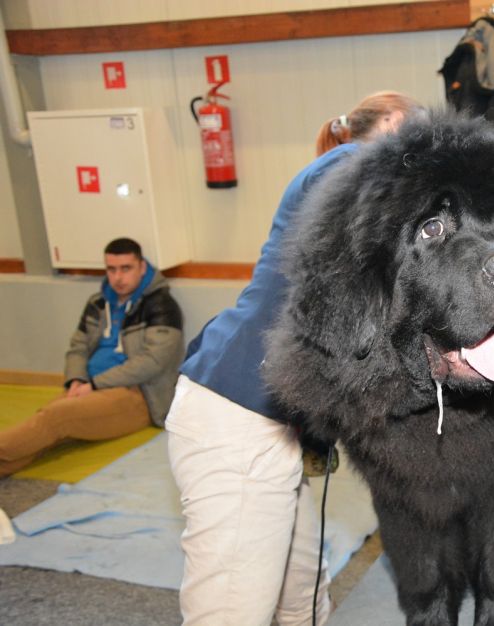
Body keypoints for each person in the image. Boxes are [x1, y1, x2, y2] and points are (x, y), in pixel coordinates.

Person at [164, 91, 424, 626]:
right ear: (394, 122)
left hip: (275, 431)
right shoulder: (345, 165)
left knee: (301, 596)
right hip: (235, 421)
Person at [0, 237, 183, 476]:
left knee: (55, 418)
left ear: (142, 267)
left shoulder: (162, 306)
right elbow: (78, 347)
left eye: (126, 268)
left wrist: (95, 384)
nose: (118, 277)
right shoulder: (97, 303)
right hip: (89, 387)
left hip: (139, 395)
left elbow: (152, 363)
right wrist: (76, 379)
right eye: (111, 269)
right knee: (45, 428)